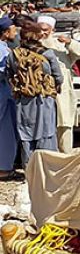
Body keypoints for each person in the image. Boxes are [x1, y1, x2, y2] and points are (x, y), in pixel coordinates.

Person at [7, 20, 62, 164]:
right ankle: (47, 167)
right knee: (46, 133)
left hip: (23, 100)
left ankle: (29, 169)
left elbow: (9, 75)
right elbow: (58, 77)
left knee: (26, 135)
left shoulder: (14, 55)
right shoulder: (47, 54)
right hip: (43, 100)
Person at [37, 15, 80, 153]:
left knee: (64, 128)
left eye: (46, 30)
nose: (43, 33)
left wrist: (69, 42)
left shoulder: (61, 46)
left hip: (62, 93)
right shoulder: (33, 45)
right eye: (40, 30)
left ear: (52, 29)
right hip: (42, 93)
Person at [0, 17, 18, 177]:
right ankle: (4, 169)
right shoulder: (1, 50)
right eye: (13, 29)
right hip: (3, 94)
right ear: (5, 33)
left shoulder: (4, 47)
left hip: (6, 93)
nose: (16, 32)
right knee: (5, 132)